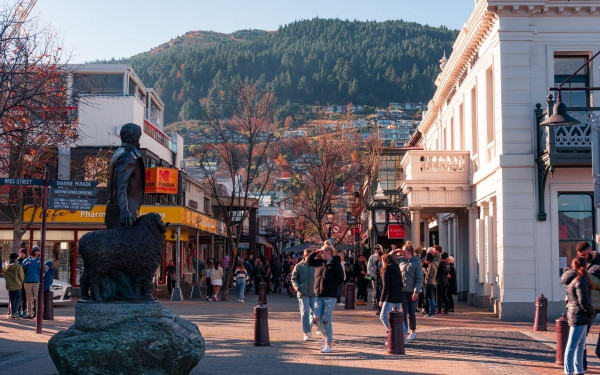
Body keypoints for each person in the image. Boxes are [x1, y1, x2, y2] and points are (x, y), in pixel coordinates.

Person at [105, 123, 145, 229]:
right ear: (136, 137)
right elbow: (119, 185)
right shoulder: (128, 155)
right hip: (124, 216)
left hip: (120, 213)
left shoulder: (119, 152)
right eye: (139, 136)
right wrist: (124, 210)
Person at [308, 244, 344, 353]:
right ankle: (325, 336)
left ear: (328, 253)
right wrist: (316, 252)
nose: (321, 255)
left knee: (326, 321)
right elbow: (309, 261)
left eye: (323, 253)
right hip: (319, 295)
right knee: (316, 318)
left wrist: (331, 286)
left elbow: (340, 278)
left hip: (329, 296)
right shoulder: (321, 262)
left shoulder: (335, 263)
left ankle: (329, 344)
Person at [562, 257, 594, 375]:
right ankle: (569, 371)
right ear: (584, 265)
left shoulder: (571, 279)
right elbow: (583, 300)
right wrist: (591, 312)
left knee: (580, 344)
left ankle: (578, 370)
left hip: (574, 312)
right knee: (572, 345)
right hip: (580, 314)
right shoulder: (581, 280)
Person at [398, 244, 423, 342]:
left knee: (411, 312)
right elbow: (390, 258)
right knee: (404, 312)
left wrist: (416, 291)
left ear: (409, 253)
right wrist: (396, 251)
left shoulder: (416, 263)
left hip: (412, 291)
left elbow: (419, 279)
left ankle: (413, 331)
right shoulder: (401, 260)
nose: (402, 253)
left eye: (404, 252)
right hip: (403, 291)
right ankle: (404, 332)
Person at [291, 249, 317, 341]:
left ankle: (310, 324)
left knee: (316, 313)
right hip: (303, 293)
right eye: (307, 255)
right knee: (305, 312)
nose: (308, 257)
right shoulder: (299, 266)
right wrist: (298, 288)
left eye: (310, 255)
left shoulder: (315, 265)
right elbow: (294, 279)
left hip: (314, 293)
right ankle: (306, 332)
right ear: (304, 255)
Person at [378, 254, 404, 340]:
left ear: (385, 261)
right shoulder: (397, 269)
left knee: (383, 316)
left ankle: (393, 333)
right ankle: (403, 333)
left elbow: (386, 286)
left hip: (389, 297)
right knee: (398, 317)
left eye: (382, 261)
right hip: (398, 295)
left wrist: (381, 299)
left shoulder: (386, 270)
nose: (381, 262)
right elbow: (401, 283)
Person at [21, 246, 41, 319]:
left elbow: (43, 271)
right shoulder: (26, 260)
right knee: (29, 299)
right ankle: (29, 313)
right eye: (36, 251)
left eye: (39, 251)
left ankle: (38, 314)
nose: (38, 253)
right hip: (27, 281)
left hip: (36, 282)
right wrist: (25, 264)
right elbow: (22, 269)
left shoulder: (40, 261)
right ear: (33, 251)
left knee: (37, 298)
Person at [3, 253, 24, 319]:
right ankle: (14, 312)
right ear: (16, 258)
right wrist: (20, 282)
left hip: (9, 285)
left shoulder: (6, 266)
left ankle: (12, 312)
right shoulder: (18, 266)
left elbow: (5, 275)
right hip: (17, 285)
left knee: (12, 299)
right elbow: (22, 276)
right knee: (18, 298)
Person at [368, 246, 384, 310]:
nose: (377, 250)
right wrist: (371, 275)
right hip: (375, 276)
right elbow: (369, 266)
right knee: (375, 290)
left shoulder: (384, 256)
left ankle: (381, 303)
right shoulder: (372, 257)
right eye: (375, 249)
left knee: (381, 290)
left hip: (382, 277)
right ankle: (375, 303)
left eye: (378, 249)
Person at [423, 251, 438, 317]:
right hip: (433, 283)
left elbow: (429, 275)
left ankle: (432, 312)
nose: (426, 262)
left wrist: (424, 271)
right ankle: (432, 311)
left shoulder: (431, 265)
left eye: (427, 260)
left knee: (430, 298)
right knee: (432, 298)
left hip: (430, 283)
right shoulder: (434, 264)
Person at [17, 248, 28, 317]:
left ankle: (23, 311)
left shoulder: (27, 261)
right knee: (18, 297)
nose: (22, 254)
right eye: (21, 253)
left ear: (25, 254)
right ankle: (18, 311)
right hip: (18, 282)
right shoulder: (17, 261)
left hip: (25, 282)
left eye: (23, 253)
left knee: (24, 298)